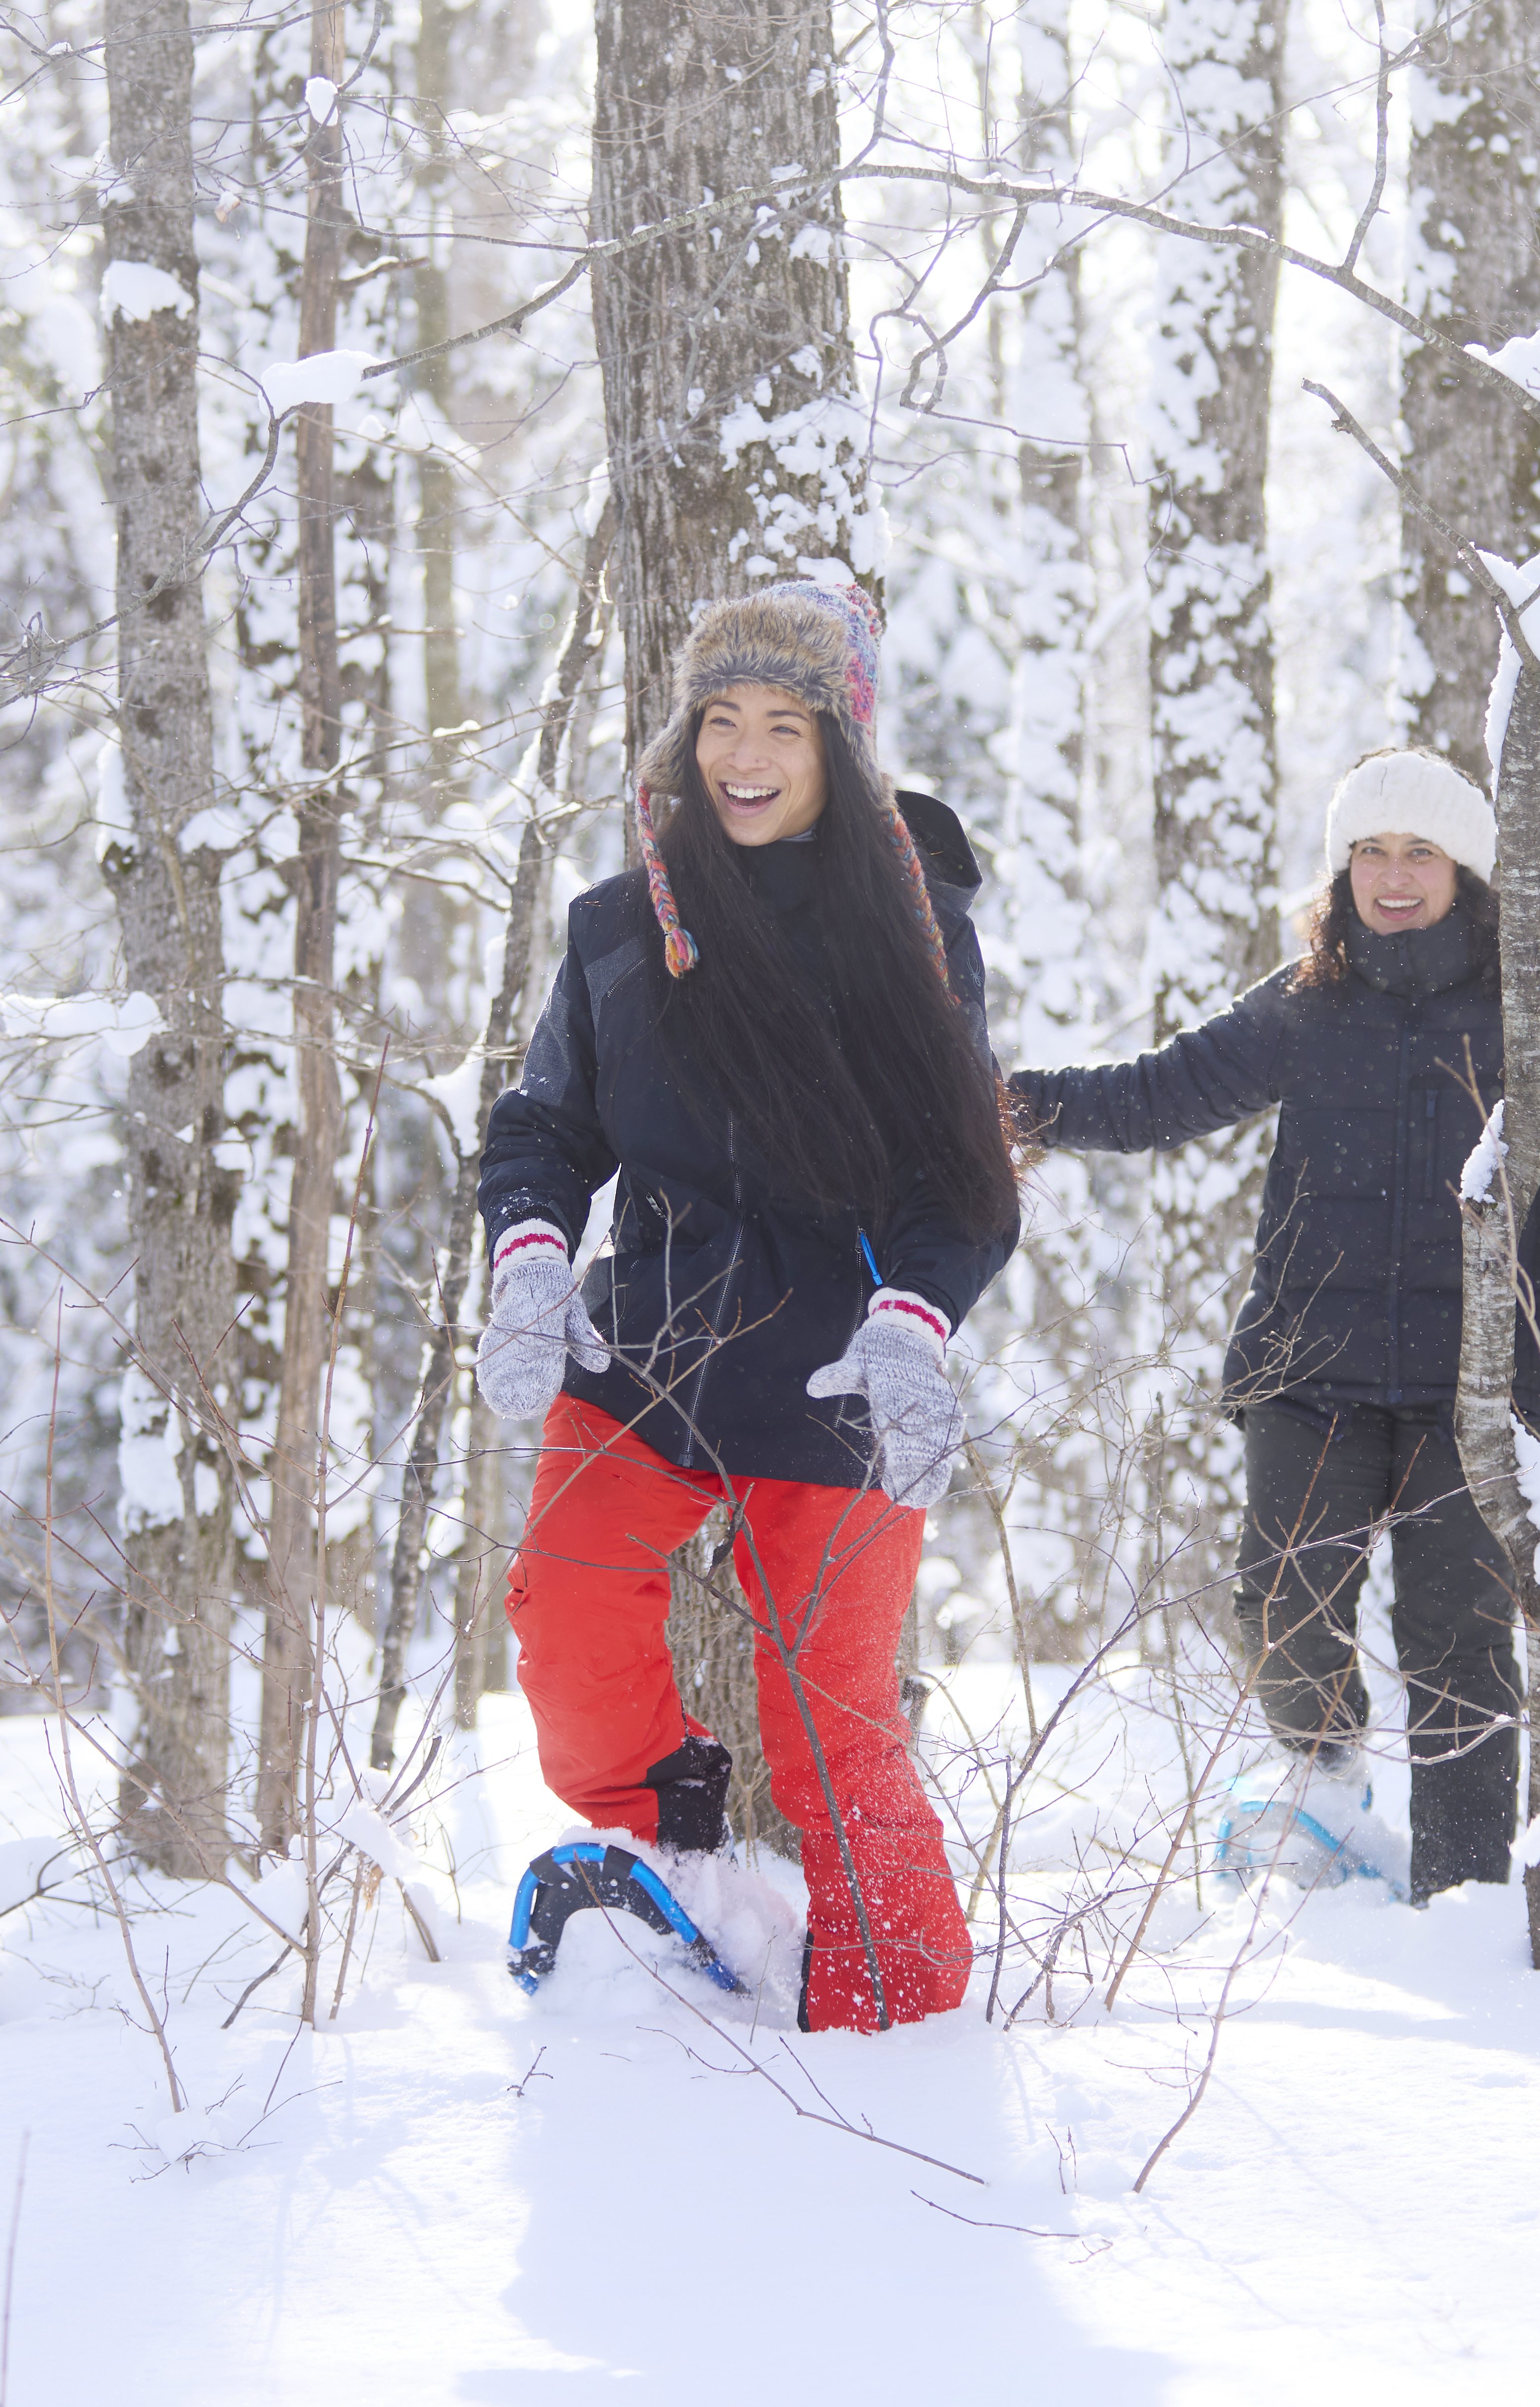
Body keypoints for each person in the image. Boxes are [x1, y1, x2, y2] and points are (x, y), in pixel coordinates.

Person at [473, 582, 1019, 2029]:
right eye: (721, 720)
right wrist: (531, 1248)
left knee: (830, 1714)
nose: (748, 752)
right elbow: (544, 1125)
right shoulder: (612, 931)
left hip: (841, 1363)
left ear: (842, 748)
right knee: (565, 1620)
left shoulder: (915, 939)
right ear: (683, 738)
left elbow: (957, 1178)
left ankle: (899, 2014)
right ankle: (669, 1859)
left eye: (787, 721)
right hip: (645, 1342)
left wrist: (915, 1323)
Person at [1006, 749, 1540, 1899]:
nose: (1393, 876)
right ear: (1342, 869)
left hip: (1476, 1387)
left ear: (1462, 871)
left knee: (1456, 1639)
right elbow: (1163, 1091)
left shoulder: (1537, 1007)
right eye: (1371, 852)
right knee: (1281, 1598)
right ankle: (1325, 1793)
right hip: (1309, 1367)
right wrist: (1015, 1107)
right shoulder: (1305, 1001)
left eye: (1418, 853)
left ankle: (1463, 1895)